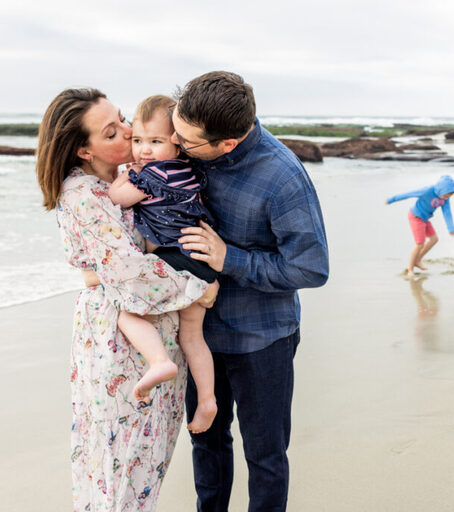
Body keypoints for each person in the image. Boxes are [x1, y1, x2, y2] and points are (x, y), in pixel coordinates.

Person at [36, 88, 213, 511]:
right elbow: (129, 277)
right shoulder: (85, 194)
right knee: (119, 470)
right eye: (113, 131)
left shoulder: (121, 179)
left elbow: (125, 260)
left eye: (123, 119)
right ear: (83, 149)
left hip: (150, 335)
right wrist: (200, 286)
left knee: (141, 471)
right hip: (122, 345)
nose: (132, 132)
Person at [168, 71, 329, 511]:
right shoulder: (189, 149)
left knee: (266, 458)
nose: (176, 145)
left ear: (228, 144)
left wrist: (230, 259)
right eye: (175, 130)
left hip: (262, 341)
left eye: (187, 142)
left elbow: (312, 269)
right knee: (206, 444)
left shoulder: (284, 180)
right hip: (199, 336)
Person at [108, 94, 218, 434]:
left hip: (176, 258)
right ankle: (208, 400)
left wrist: (123, 175)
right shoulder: (191, 171)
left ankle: (158, 362)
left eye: (155, 141)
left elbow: (117, 197)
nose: (144, 150)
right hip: (201, 260)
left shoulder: (152, 176)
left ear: (176, 142)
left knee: (127, 310)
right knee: (192, 336)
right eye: (138, 141)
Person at [386, 175, 454, 276]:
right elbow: (409, 194)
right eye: (446, 195)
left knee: (434, 239)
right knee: (420, 244)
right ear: (441, 189)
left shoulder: (445, 199)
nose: (447, 198)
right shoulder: (428, 191)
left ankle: (417, 260)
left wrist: (451, 228)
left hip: (424, 219)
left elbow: (447, 212)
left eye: (449, 196)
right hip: (415, 216)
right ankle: (410, 268)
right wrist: (391, 200)